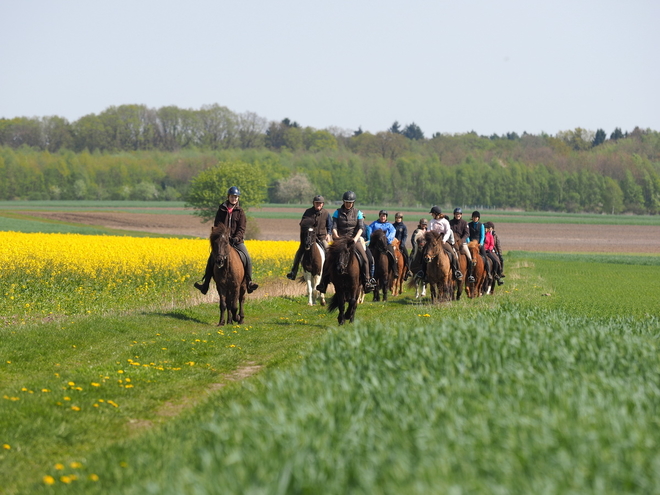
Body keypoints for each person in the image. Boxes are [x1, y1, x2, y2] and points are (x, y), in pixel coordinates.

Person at [194, 186, 259, 295]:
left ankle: (249, 282)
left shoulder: (240, 211)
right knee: (211, 258)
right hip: (222, 241)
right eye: (232, 196)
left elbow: (242, 228)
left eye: (236, 197)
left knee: (247, 257)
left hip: (236, 241)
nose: (234, 198)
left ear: (238, 198)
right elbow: (217, 225)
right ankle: (205, 284)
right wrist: (222, 237)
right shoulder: (221, 209)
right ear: (228, 197)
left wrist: (237, 238)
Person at [316, 191, 376, 294]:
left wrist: (355, 238)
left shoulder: (358, 213)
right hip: (340, 240)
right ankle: (323, 283)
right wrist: (336, 236)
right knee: (328, 258)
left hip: (353, 240)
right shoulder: (337, 212)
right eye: (347, 202)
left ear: (353, 203)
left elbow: (361, 228)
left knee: (366, 259)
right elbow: (334, 227)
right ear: (344, 202)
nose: (349, 204)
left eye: (351, 202)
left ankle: (367, 281)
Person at [286, 195, 332, 280]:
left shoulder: (326, 213)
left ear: (323, 204)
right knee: (299, 252)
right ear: (313, 203)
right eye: (316, 203)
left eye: (320, 203)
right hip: (309, 238)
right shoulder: (308, 212)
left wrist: (329, 234)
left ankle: (329, 274)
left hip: (321, 237)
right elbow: (302, 224)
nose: (318, 204)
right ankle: (293, 272)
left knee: (329, 251)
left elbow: (330, 225)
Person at [424, 205, 463, 281]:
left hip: (443, 241)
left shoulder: (445, 221)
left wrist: (444, 240)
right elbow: (429, 231)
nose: (432, 215)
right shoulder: (432, 221)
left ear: (436, 213)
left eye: (433, 213)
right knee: (424, 253)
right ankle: (423, 272)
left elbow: (448, 232)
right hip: (433, 242)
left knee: (452, 254)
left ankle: (457, 271)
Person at [449, 207, 475, 283]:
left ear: (461, 215)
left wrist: (462, 240)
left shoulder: (464, 223)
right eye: (457, 214)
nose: (458, 215)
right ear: (454, 214)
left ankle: (470, 275)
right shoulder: (450, 223)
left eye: (459, 214)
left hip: (462, 242)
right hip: (452, 243)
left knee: (469, 257)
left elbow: (467, 233)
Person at [392, 212, 413, 279]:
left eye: (399, 218)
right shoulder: (392, 226)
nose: (398, 219)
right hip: (393, 244)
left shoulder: (403, 227)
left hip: (400, 244)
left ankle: (408, 270)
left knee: (407, 255)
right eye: (397, 218)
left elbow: (405, 236)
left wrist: (402, 243)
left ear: (401, 219)